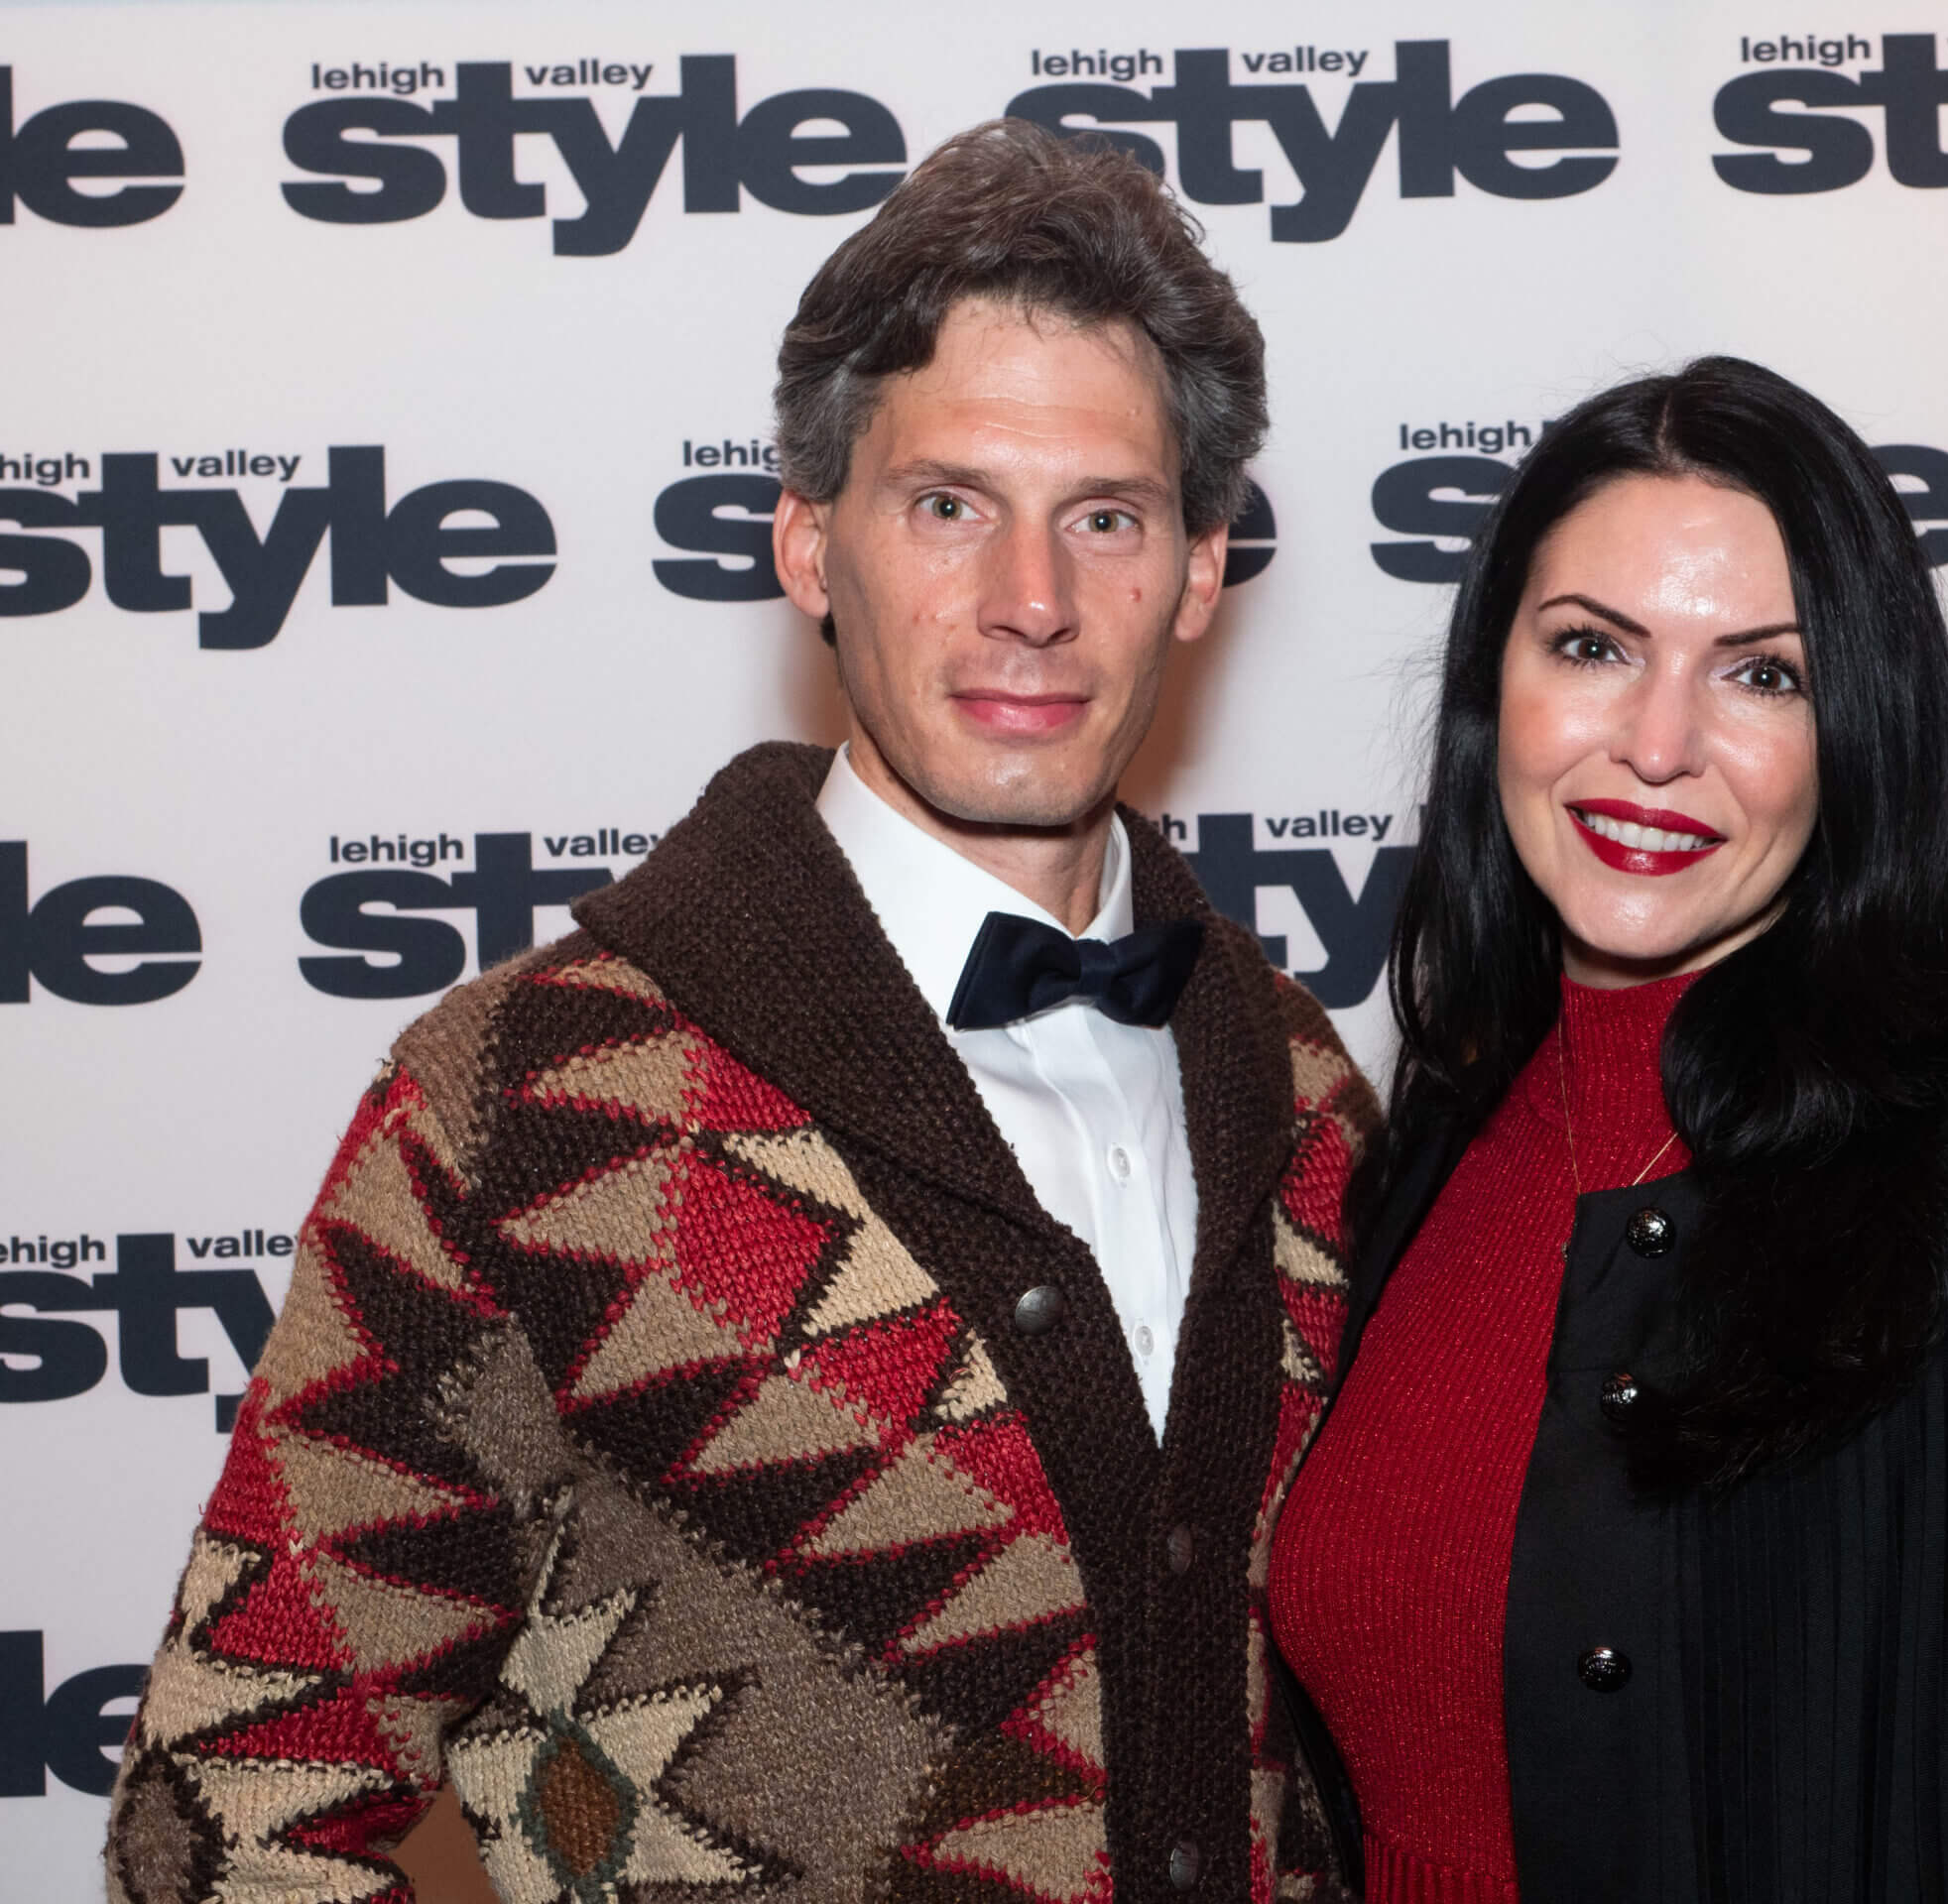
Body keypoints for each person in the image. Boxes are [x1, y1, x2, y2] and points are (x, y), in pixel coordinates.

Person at [103, 121, 1370, 1904]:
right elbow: (231, 1812)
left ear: (1199, 574)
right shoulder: (522, 1107)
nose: (1031, 602)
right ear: (806, 549)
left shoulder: (1306, 1095)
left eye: (1108, 518)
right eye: (950, 507)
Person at [1267, 356, 1948, 1902]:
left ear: (1858, 738)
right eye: (1593, 647)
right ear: (1497, 692)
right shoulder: (1434, 1154)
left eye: (1763, 674)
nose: (1658, 744)